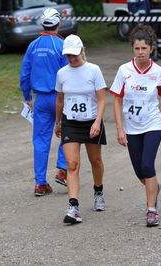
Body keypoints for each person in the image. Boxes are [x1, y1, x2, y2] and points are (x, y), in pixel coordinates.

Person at [110, 24, 161, 227]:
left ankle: (151, 210)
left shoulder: (159, 72)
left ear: (151, 48)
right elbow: (117, 100)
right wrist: (119, 128)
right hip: (131, 126)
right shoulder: (124, 70)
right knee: (139, 172)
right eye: (137, 48)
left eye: (144, 48)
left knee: (147, 165)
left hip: (152, 123)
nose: (140, 52)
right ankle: (154, 187)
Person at [55, 34, 108, 224]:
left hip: (92, 121)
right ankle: (73, 207)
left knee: (95, 160)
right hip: (70, 122)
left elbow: (102, 99)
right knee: (71, 164)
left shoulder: (93, 70)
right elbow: (60, 100)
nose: (72, 58)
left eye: (75, 54)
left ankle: (98, 191)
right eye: (68, 55)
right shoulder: (62, 73)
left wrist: (97, 122)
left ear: (82, 50)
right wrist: (57, 122)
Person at [20, 8, 68, 197]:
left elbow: (25, 72)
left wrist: (27, 96)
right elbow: (68, 74)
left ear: (41, 24)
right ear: (58, 23)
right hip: (59, 98)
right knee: (67, 132)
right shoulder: (61, 45)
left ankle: (40, 183)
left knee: (40, 140)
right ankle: (63, 170)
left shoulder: (33, 45)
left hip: (40, 99)